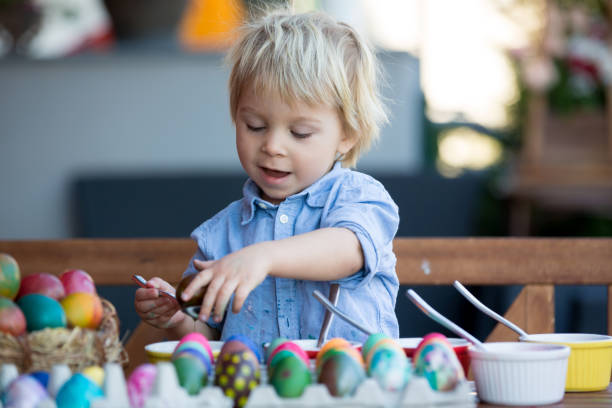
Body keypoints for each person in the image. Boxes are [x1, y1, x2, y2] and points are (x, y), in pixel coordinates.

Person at [134, 8, 400, 349]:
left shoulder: (360, 198)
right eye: (255, 126)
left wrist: (263, 257)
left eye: (300, 132)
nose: (272, 146)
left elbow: (349, 249)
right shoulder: (223, 234)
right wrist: (179, 320)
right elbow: (211, 338)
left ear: (347, 134)